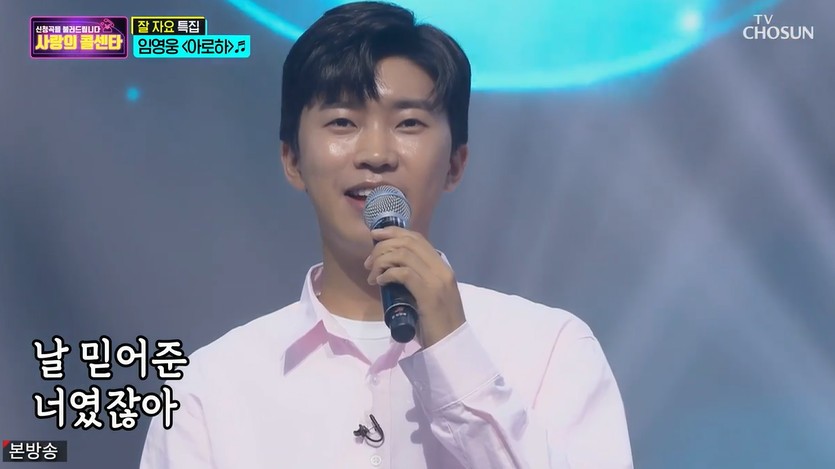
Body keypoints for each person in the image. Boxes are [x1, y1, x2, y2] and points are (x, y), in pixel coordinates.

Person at [140, 2, 633, 467]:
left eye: (408, 123)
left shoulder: (550, 350)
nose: (376, 154)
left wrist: (455, 352)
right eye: (342, 122)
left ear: (455, 163)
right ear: (292, 159)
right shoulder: (212, 388)